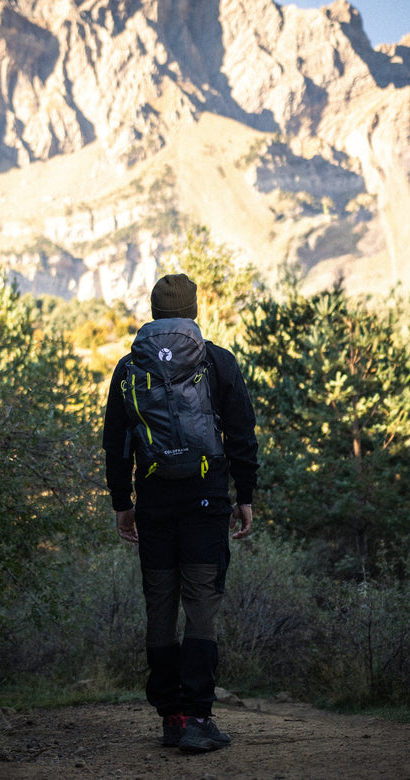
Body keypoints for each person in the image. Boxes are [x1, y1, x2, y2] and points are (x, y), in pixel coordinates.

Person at [102, 272, 259, 754]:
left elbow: (115, 444)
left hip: (154, 505)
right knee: (201, 607)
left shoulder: (130, 366)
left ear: (154, 312)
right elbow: (241, 434)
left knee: (161, 607)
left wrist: (122, 504)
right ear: (193, 310)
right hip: (207, 501)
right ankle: (199, 715)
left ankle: (171, 717)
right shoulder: (217, 361)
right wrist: (246, 495)